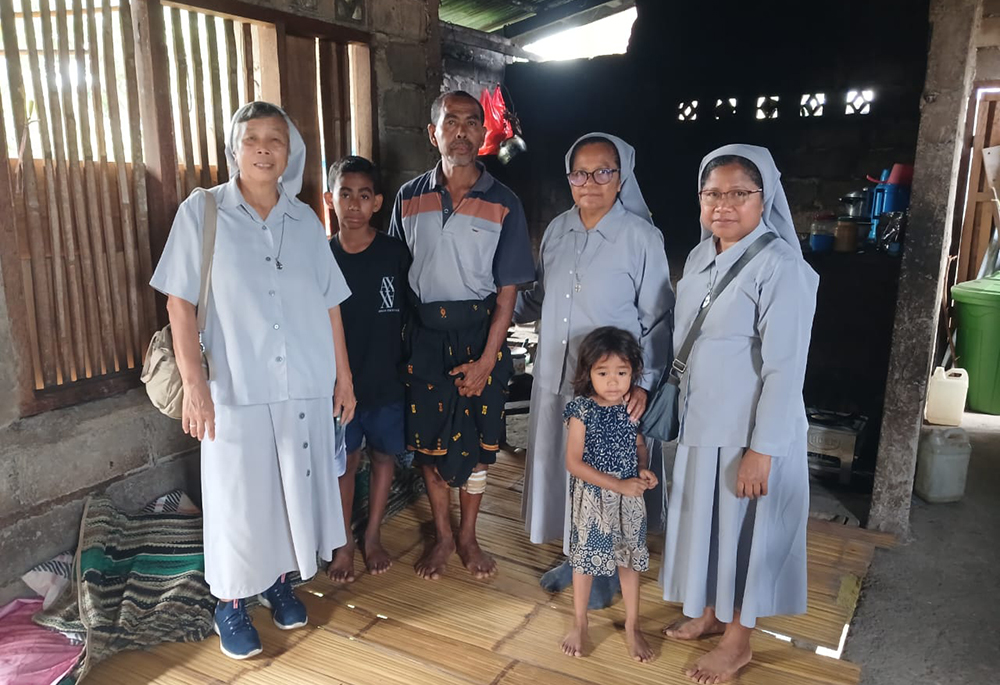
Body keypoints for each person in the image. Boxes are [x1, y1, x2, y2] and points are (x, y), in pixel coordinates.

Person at [150, 101, 356, 660]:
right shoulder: (204, 210)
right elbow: (180, 302)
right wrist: (194, 386)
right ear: (234, 149)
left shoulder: (307, 219)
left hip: (304, 382)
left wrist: (344, 377)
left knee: (291, 487)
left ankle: (278, 580)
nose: (264, 148)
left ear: (290, 154)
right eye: (252, 139)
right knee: (238, 497)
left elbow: (330, 303)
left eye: (276, 139)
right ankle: (231, 604)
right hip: (235, 387)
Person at [659, 144, 818, 684]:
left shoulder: (781, 267)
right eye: (712, 194)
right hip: (703, 423)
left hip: (749, 432)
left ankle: (738, 640)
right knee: (705, 525)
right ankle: (707, 610)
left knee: (747, 533)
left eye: (738, 194)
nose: (723, 205)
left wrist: (762, 450)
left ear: (763, 197)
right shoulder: (703, 255)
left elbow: (784, 369)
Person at [514, 133, 673, 605]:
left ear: (621, 177)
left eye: (603, 171)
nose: (591, 182)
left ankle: (605, 571)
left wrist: (643, 383)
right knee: (568, 470)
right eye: (580, 173)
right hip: (556, 378)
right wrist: (497, 305)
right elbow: (539, 295)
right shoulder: (558, 229)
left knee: (606, 481)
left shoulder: (642, 238)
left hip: (610, 390)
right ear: (569, 179)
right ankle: (577, 555)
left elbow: (658, 319)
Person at [389, 90, 535, 580]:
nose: (462, 131)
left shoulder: (504, 202)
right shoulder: (408, 198)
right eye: (450, 122)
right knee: (428, 443)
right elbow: (395, 273)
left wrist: (488, 360)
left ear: (483, 133)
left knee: (475, 444)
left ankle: (469, 536)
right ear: (434, 134)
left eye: (472, 122)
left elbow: (508, 292)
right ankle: (444, 536)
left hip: (480, 336)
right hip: (425, 337)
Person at [324, 156, 411, 583]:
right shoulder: (322, 257)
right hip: (340, 385)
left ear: (377, 202)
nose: (354, 205)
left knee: (382, 456)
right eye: (345, 194)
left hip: (386, 380)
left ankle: (372, 534)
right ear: (330, 200)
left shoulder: (395, 254)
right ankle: (344, 543)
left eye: (363, 196)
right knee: (345, 460)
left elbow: (410, 315)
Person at [560, 327, 659, 663]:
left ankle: (632, 625)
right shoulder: (581, 410)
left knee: (628, 561)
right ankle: (580, 622)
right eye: (603, 373)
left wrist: (643, 469)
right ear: (588, 373)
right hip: (593, 499)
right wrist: (617, 485)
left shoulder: (632, 408)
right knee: (585, 561)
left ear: (634, 372)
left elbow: (639, 446)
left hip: (630, 497)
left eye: (622, 372)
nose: (613, 381)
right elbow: (573, 463)